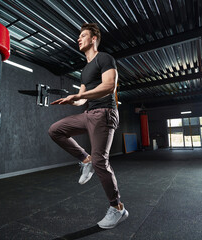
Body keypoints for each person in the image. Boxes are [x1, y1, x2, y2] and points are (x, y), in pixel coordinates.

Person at [48, 23, 128, 229]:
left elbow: (109, 86)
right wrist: (72, 100)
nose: (78, 39)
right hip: (89, 113)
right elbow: (82, 100)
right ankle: (85, 159)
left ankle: (118, 208)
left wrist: (80, 95)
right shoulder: (84, 70)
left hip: (105, 113)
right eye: (78, 36)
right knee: (55, 130)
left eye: (83, 35)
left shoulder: (104, 58)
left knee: (101, 160)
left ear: (94, 39)